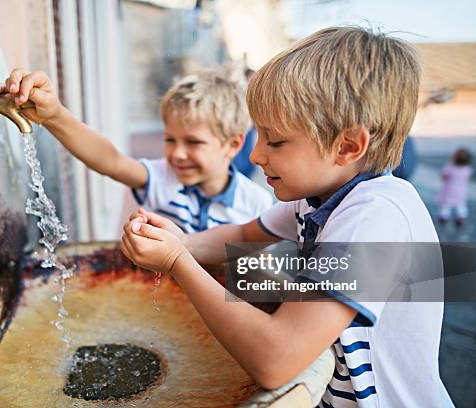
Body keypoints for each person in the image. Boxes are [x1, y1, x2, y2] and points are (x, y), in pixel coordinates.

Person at [121, 26, 453, 407]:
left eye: (275, 141)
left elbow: (275, 359)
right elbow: (245, 233)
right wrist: (181, 241)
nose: (257, 155)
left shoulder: (375, 218)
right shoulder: (318, 197)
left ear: (347, 146)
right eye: (258, 137)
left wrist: (179, 262)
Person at [0, 68, 273, 232]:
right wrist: (53, 114)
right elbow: (110, 161)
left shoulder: (257, 205)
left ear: (233, 144)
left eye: (193, 142)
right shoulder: (162, 178)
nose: (177, 154)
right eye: (170, 139)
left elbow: (259, 288)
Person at [437, 148, 472, 227]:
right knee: (460, 205)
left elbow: (443, 176)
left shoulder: (450, 168)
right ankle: (461, 217)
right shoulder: (467, 169)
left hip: (449, 191)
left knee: (446, 205)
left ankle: (443, 217)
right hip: (461, 192)